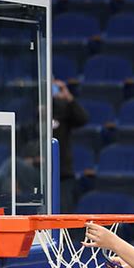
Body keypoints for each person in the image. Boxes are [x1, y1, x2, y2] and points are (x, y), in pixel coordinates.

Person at [52, 78, 89, 212]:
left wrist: (67, 96)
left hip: (63, 172)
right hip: (39, 172)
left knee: (63, 210)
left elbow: (83, 119)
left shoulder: (64, 108)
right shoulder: (36, 109)